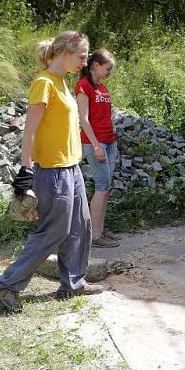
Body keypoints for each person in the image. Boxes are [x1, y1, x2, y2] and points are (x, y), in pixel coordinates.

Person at [0, 31, 105, 311]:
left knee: (80, 226)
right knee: (53, 232)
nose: (84, 62)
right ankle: (9, 283)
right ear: (65, 52)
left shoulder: (63, 83)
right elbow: (29, 130)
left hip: (72, 168)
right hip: (53, 172)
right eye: (81, 56)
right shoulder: (43, 83)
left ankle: (74, 282)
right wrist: (25, 168)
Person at [76, 48, 120, 248]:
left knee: (106, 188)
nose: (110, 72)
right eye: (108, 68)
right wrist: (96, 146)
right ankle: (94, 236)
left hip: (109, 142)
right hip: (96, 143)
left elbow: (105, 116)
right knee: (102, 187)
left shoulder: (102, 87)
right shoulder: (83, 86)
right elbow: (83, 120)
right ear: (95, 66)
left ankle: (100, 229)